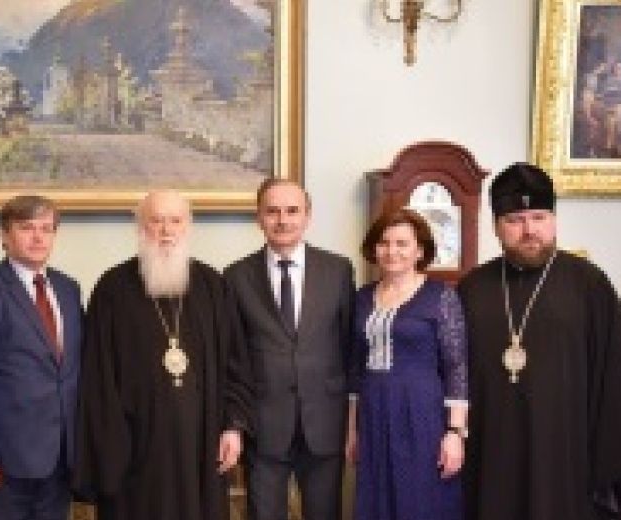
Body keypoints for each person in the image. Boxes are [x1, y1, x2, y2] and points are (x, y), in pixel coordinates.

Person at [458, 162, 621, 519]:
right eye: (515, 220)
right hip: (491, 457)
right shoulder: (472, 288)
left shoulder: (589, 285)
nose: (529, 230)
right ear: (496, 226)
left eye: (539, 217)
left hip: (566, 459)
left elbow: (619, 380)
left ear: (553, 220)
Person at [74, 190, 253, 520]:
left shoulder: (213, 286)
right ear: (140, 227)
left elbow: (236, 364)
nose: (166, 231)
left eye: (175, 221)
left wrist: (232, 426)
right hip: (134, 451)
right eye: (156, 221)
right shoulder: (112, 289)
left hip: (202, 448)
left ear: (189, 226)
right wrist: (112, 448)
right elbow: (97, 378)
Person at [223, 178, 354, 520]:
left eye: (292, 211)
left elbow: (348, 347)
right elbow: (234, 357)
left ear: (308, 216)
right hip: (264, 426)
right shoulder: (236, 277)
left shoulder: (338, 271)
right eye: (273, 211)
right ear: (259, 218)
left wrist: (354, 422)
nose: (282, 220)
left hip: (325, 422)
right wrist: (235, 422)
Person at [0, 195, 82, 520]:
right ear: (4, 235)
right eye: (26, 228)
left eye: (46, 229)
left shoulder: (68, 289)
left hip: (60, 458)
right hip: (3, 462)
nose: (38, 237)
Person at [344, 208, 468, 520]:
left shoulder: (441, 297)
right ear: (374, 249)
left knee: (420, 499)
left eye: (402, 243)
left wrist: (455, 432)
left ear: (419, 250)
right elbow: (355, 369)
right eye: (384, 243)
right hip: (373, 415)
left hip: (421, 415)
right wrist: (352, 429)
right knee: (377, 499)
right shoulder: (361, 298)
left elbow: (456, 367)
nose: (392, 251)